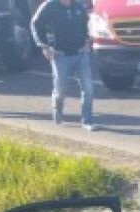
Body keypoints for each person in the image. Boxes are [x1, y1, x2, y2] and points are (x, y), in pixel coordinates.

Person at [32, 0, 95, 130]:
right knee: (61, 90)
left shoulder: (78, 6)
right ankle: (58, 106)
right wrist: (44, 46)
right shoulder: (49, 6)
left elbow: (87, 23)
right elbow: (35, 24)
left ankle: (87, 121)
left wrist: (87, 40)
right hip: (60, 55)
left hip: (80, 53)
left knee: (88, 88)